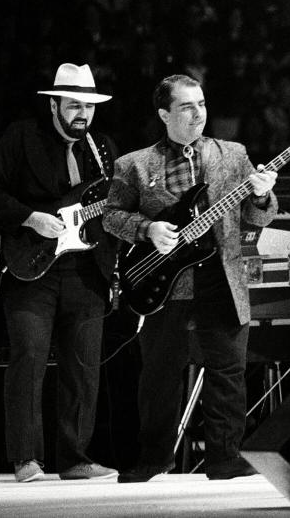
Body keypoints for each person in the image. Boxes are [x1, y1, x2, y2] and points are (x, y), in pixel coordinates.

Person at [102, 74, 279, 482]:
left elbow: (259, 216)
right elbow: (111, 216)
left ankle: (224, 458)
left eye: (201, 103)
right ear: (164, 114)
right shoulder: (134, 164)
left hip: (221, 274)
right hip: (163, 282)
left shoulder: (232, 154)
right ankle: (154, 458)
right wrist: (148, 230)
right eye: (186, 106)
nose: (198, 112)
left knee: (228, 371)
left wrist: (261, 194)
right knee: (160, 374)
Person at [0, 63, 119, 482]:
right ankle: (25, 459)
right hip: (30, 266)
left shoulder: (102, 147)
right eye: (73, 106)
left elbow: (114, 201)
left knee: (84, 365)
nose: (82, 115)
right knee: (29, 359)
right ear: (53, 105)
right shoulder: (22, 137)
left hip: (85, 267)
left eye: (88, 107)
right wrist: (30, 217)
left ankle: (74, 458)